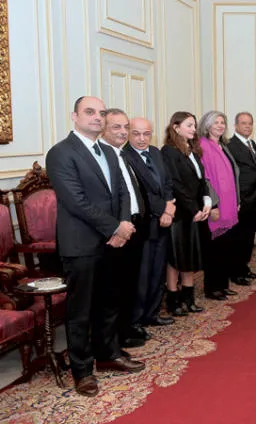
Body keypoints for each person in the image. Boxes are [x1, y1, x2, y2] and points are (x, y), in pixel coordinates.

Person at [46, 96, 144, 397]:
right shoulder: (60, 153)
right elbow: (76, 201)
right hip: (81, 243)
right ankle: (82, 370)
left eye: (101, 113)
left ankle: (107, 353)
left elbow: (123, 193)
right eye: (89, 112)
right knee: (81, 311)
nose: (97, 117)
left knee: (109, 302)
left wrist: (123, 225)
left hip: (113, 242)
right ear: (74, 116)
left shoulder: (109, 151)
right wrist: (115, 227)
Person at [123, 117, 178, 339]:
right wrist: (165, 209)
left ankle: (152, 313)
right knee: (142, 275)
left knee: (158, 271)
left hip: (164, 222)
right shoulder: (124, 156)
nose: (141, 138)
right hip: (144, 224)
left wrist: (169, 209)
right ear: (129, 134)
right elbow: (141, 193)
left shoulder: (155, 152)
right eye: (136, 133)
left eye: (146, 133)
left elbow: (167, 183)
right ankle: (136, 320)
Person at [99, 109, 149, 349]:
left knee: (130, 281)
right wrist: (117, 226)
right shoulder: (102, 156)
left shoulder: (123, 154)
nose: (123, 132)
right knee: (114, 287)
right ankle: (114, 338)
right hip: (115, 229)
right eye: (116, 127)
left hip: (135, 225)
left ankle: (127, 328)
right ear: (103, 129)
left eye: (125, 127)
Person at [160, 111, 211, 313]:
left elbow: (201, 180)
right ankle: (173, 299)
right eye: (189, 125)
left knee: (190, 255)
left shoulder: (192, 150)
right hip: (180, 213)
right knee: (176, 257)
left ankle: (188, 298)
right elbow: (175, 184)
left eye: (194, 125)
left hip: (195, 211)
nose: (193, 129)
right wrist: (193, 209)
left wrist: (206, 200)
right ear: (176, 127)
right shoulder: (169, 151)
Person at [198, 111, 240, 300]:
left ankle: (223, 284)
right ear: (207, 125)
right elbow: (205, 179)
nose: (220, 125)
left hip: (229, 203)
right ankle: (212, 287)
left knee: (227, 247)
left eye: (223, 122)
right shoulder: (203, 146)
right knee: (215, 249)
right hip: (216, 205)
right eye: (216, 122)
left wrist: (237, 201)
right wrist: (213, 204)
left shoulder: (223, 146)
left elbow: (233, 175)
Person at [227, 111, 256, 279]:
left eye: (250, 123)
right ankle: (236, 272)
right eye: (243, 123)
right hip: (242, 199)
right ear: (236, 125)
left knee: (249, 237)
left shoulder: (251, 143)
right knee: (239, 238)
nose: (247, 126)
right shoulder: (230, 145)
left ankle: (244, 269)